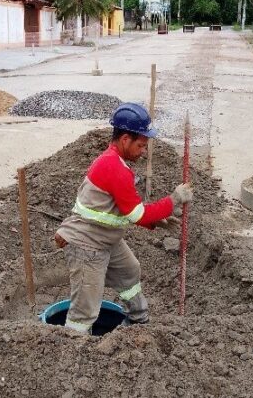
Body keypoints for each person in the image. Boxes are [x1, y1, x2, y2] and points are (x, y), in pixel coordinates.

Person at [54, 103, 192, 334]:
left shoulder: (117, 164)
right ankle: (74, 344)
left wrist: (154, 220)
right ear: (125, 139)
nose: (143, 151)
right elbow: (135, 214)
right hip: (87, 244)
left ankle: (138, 321)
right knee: (86, 307)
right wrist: (173, 200)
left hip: (106, 238)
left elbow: (124, 210)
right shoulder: (113, 167)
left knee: (129, 270)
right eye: (141, 145)